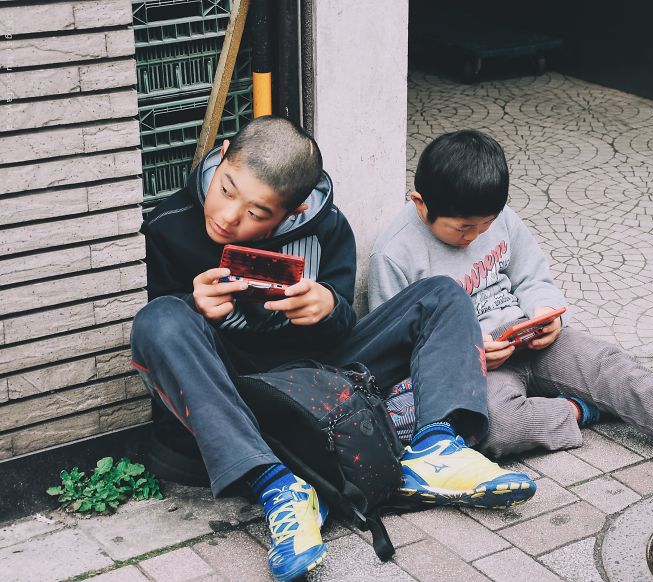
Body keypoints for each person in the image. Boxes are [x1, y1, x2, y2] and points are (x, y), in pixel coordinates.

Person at [130, 118, 535, 582]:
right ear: (222, 156)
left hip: (317, 375)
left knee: (441, 294)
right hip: (230, 389)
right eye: (226, 189)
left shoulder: (327, 228)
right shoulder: (170, 226)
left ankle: (437, 447)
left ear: (294, 207)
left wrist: (329, 307)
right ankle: (277, 486)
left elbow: (342, 332)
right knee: (158, 319)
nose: (228, 215)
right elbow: (164, 350)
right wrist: (193, 305)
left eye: (258, 213)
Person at [367, 129, 653, 498]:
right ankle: (582, 410)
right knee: (493, 428)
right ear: (420, 203)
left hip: (533, 341)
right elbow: (395, 349)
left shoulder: (499, 218)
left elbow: (532, 276)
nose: (475, 237)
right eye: (464, 228)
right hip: (480, 368)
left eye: (484, 227)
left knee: (622, 373)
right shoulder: (395, 253)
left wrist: (547, 314)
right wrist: (471, 355)